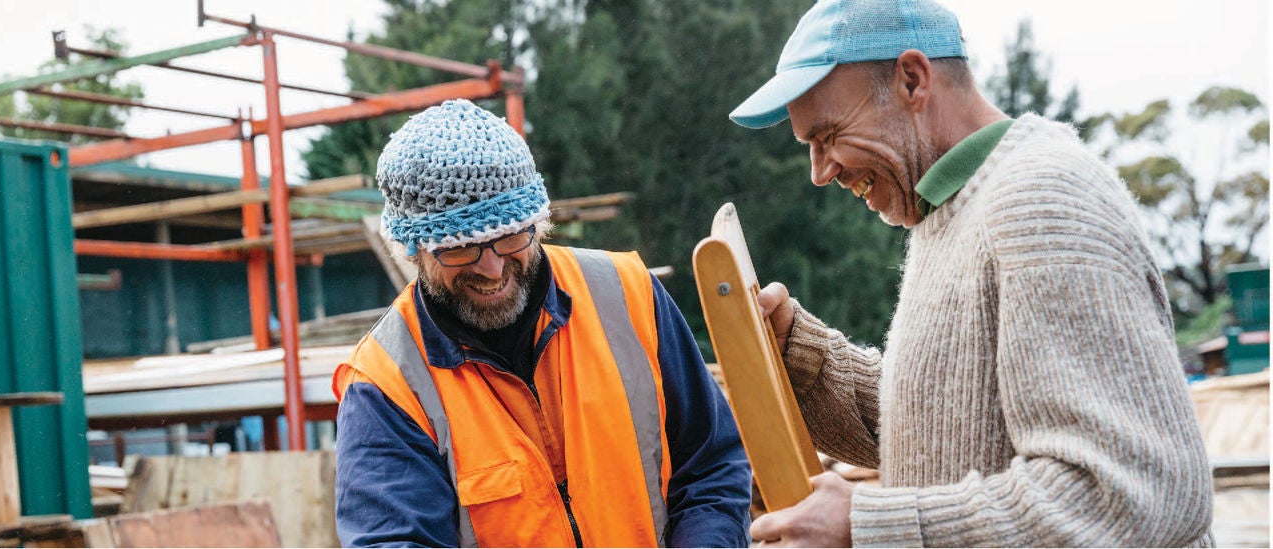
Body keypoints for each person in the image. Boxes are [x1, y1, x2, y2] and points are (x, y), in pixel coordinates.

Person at [728, 0, 1214, 546]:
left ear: (913, 80)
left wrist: (871, 527)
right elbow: (944, 431)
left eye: (828, 135)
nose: (821, 172)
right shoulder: (955, 211)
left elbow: (1128, 498)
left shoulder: (1045, 203)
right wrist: (803, 355)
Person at [332, 99, 751, 548]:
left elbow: (711, 468)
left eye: (510, 235)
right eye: (460, 248)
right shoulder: (386, 385)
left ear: (538, 221)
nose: (492, 268)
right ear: (413, 252)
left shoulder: (630, 295)